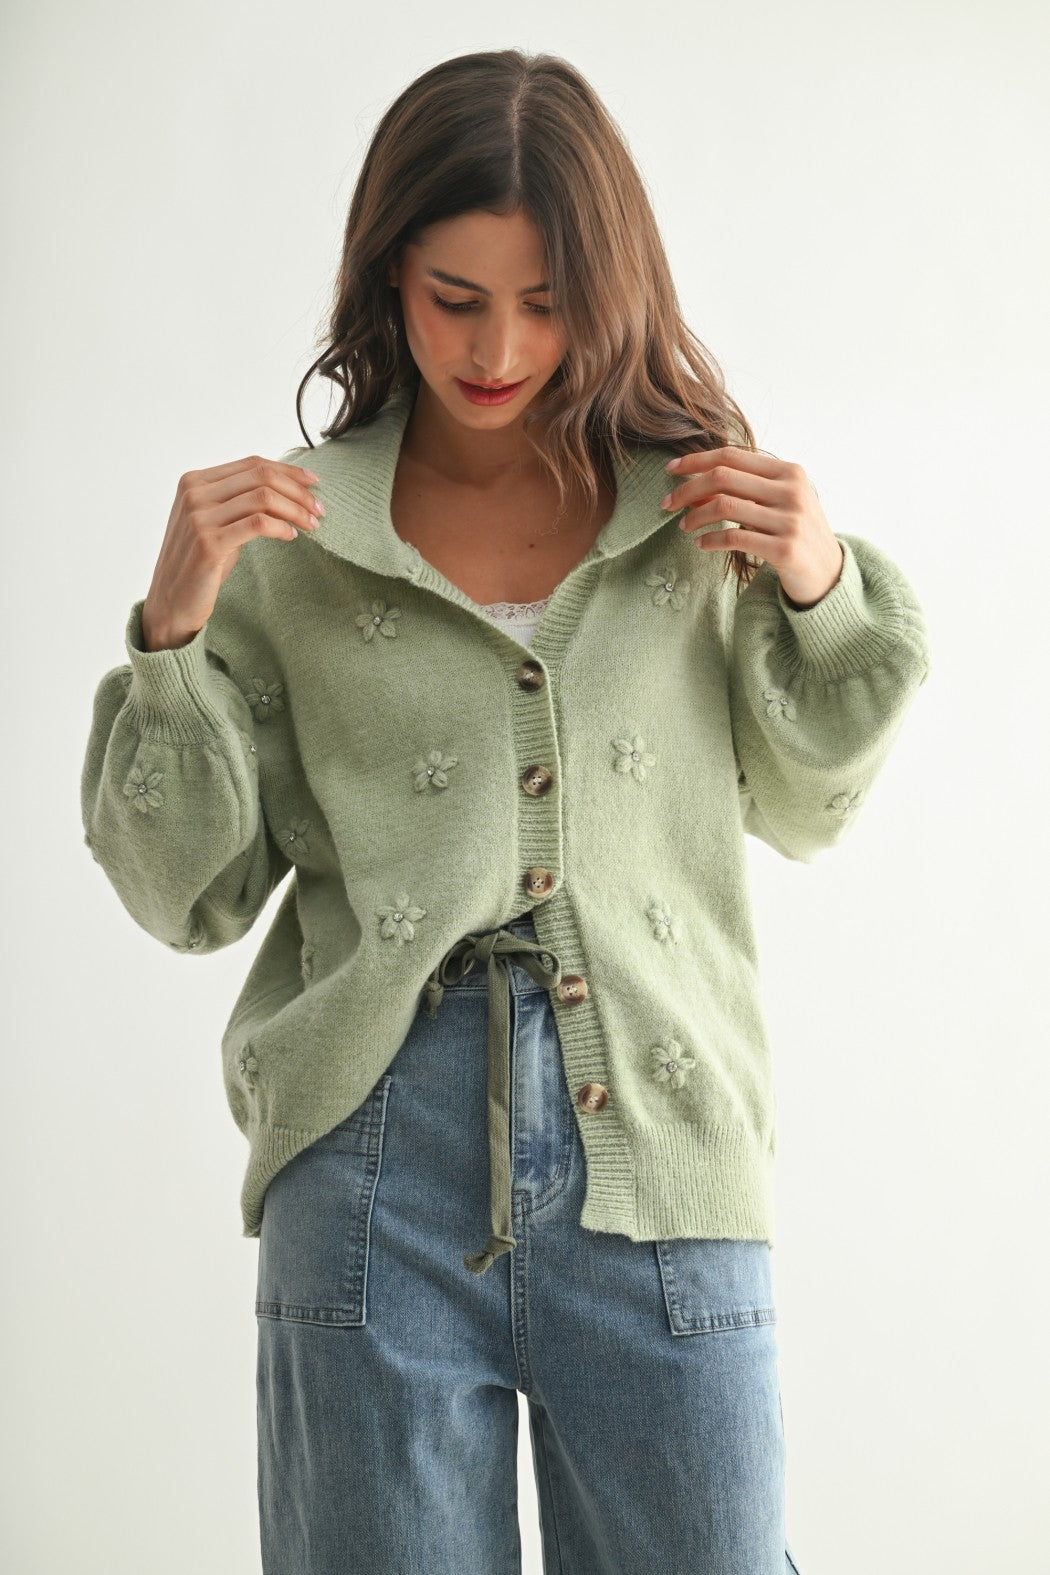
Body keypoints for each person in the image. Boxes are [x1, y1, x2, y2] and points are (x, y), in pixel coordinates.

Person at [80, 48, 930, 1575]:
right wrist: (174, 629)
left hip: (662, 1149)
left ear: (608, 292)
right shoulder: (290, 541)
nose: (498, 347)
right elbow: (183, 896)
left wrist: (817, 585)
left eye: (545, 302)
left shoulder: (698, 517)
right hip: (370, 1176)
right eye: (453, 296)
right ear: (385, 278)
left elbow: (814, 805)